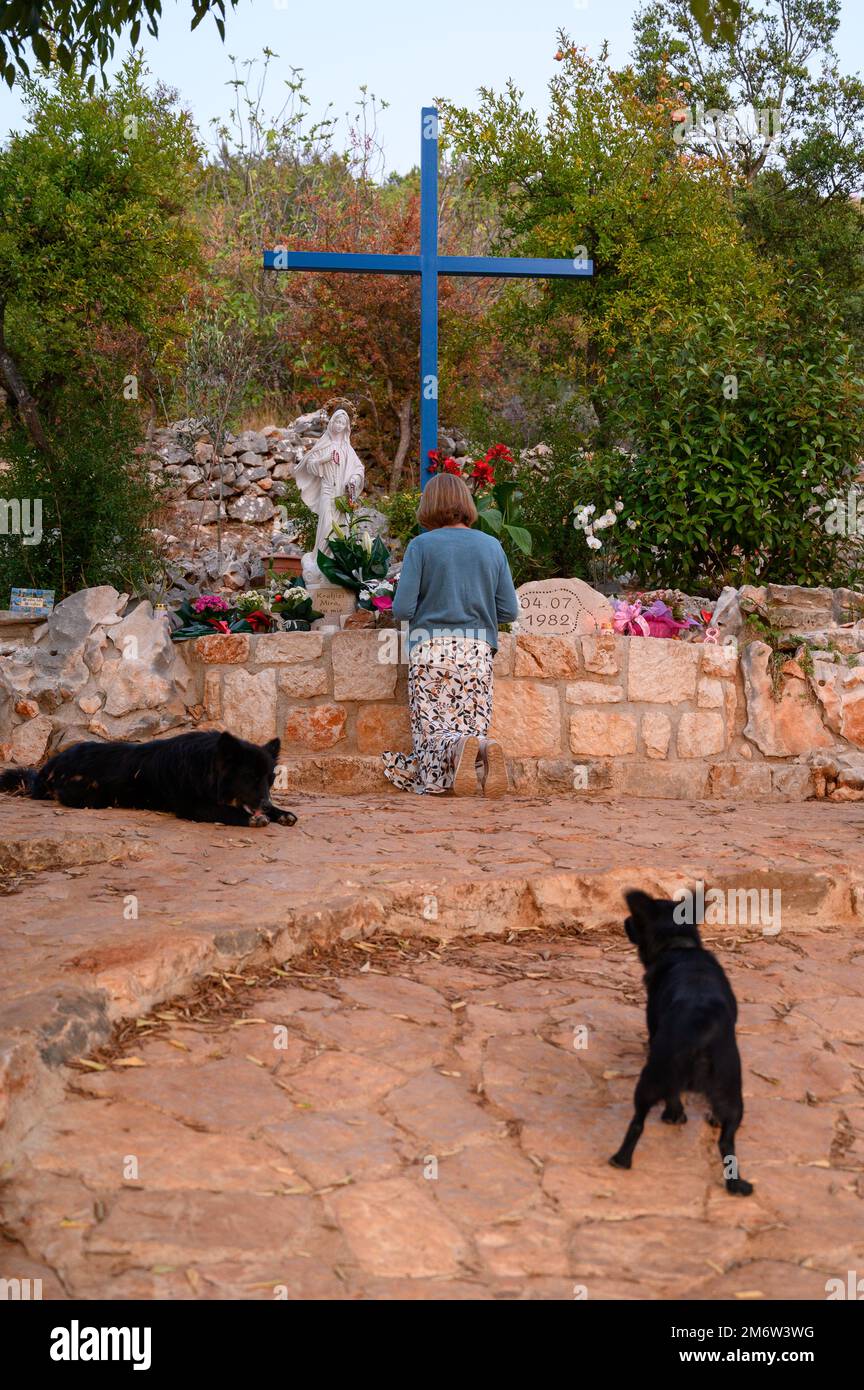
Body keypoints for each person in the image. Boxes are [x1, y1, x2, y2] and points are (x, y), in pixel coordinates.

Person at [383, 472, 519, 796]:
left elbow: (402, 609)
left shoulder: (421, 546)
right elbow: (509, 611)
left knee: (431, 732)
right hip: (477, 651)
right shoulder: (492, 546)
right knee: (470, 724)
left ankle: (459, 752)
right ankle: (484, 747)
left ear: (429, 505)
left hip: (430, 649)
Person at [293, 409, 365, 585]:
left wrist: (354, 480)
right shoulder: (323, 445)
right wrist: (324, 459)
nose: (339, 425)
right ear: (331, 423)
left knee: (343, 529)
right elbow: (310, 465)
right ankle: (321, 561)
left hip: (342, 495)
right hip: (327, 492)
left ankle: (338, 564)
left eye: (342, 423)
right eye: (336, 421)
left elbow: (359, 469)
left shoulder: (348, 449)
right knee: (326, 527)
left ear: (346, 426)